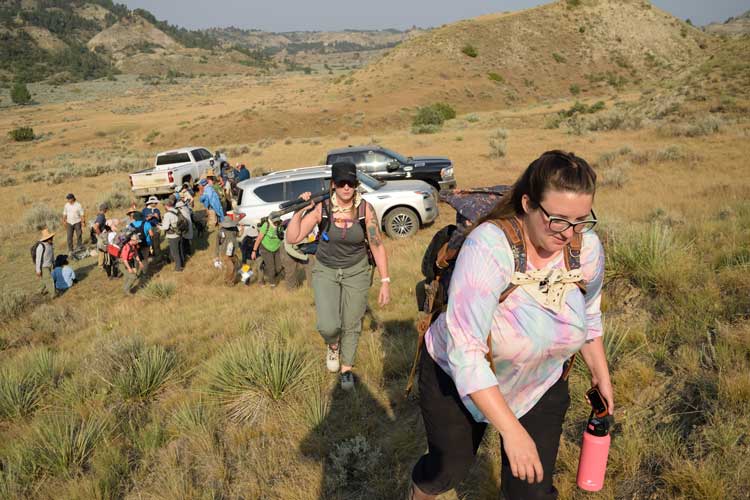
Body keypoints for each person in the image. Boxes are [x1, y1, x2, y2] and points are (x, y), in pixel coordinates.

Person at [408, 151, 612, 500]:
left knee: (530, 492)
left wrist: (601, 375)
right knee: (448, 470)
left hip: (539, 382)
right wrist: (511, 432)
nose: (569, 234)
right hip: (456, 377)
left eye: (581, 221)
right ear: (528, 203)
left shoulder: (586, 249)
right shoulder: (489, 246)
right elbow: (467, 352)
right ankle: (420, 490)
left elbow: (589, 314)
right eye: (558, 220)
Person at [285, 161, 390, 390]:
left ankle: (346, 369)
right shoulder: (321, 208)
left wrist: (385, 281)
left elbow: (377, 244)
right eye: (341, 183)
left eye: (350, 183)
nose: (346, 188)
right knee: (328, 324)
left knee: (352, 322)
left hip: (357, 271)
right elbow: (294, 237)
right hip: (325, 270)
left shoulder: (365, 209)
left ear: (355, 185)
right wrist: (299, 212)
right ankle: (333, 345)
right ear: (333, 185)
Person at [252, 217, 283, 287]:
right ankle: (272, 284)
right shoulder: (266, 225)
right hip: (265, 248)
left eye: (277, 221)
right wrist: (254, 251)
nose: (276, 223)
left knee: (279, 267)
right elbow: (259, 238)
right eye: (275, 222)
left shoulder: (280, 225)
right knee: (271, 268)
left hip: (277, 248)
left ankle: (265, 269)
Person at [160, 198, 184, 272]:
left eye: (164, 205)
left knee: (175, 252)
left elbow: (166, 227)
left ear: (166, 205)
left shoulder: (167, 214)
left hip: (172, 235)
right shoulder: (177, 210)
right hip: (179, 232)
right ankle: (182, 263)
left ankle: (178, 268)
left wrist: (159, 226)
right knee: (180, 250)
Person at [216, 217, 240, 285]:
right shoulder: (220, 231)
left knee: (236, 266)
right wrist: (216, 255)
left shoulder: (234, 228)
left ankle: (231, 280)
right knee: (231, 267)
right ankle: (228, 281)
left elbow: (238, 235)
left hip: (233, 252)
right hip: (224, 252)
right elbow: (217, 244)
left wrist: (242, 230)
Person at [34, 228, 56, 296]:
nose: (52, 239)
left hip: (49, 265)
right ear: (46, 239)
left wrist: (53, 262)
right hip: (43, 267)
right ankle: (53, 295)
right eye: (50, 238)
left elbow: (52, 254)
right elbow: (38, 259)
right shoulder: (40, 247)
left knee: (45, 279)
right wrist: (38, 270)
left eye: (51, 238)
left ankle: (39, 291)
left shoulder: (50, 245)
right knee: (49, 279)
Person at [143, 196, 162, 261]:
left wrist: (157, 217)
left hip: (155, 227)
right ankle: (149, 256)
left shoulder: (157, 210)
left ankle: (158, 258)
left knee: (156, 243)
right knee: (148, 243)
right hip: (147, 228)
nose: (156, 204)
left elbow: (159, 221)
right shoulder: (145, 210)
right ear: (151, 203)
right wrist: (147, 218)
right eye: (155, 203)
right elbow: (143, 220)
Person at [93, 203, 109, 270]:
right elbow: (95, 226)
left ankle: (101, 265)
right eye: (106, 209)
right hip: (101, 235)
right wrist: (100, 235)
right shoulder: (101, 216)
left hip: (100, 234)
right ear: (105, 209)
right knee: (104, 250)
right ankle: (104, 265)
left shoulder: (99, 215)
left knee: (101, 250)